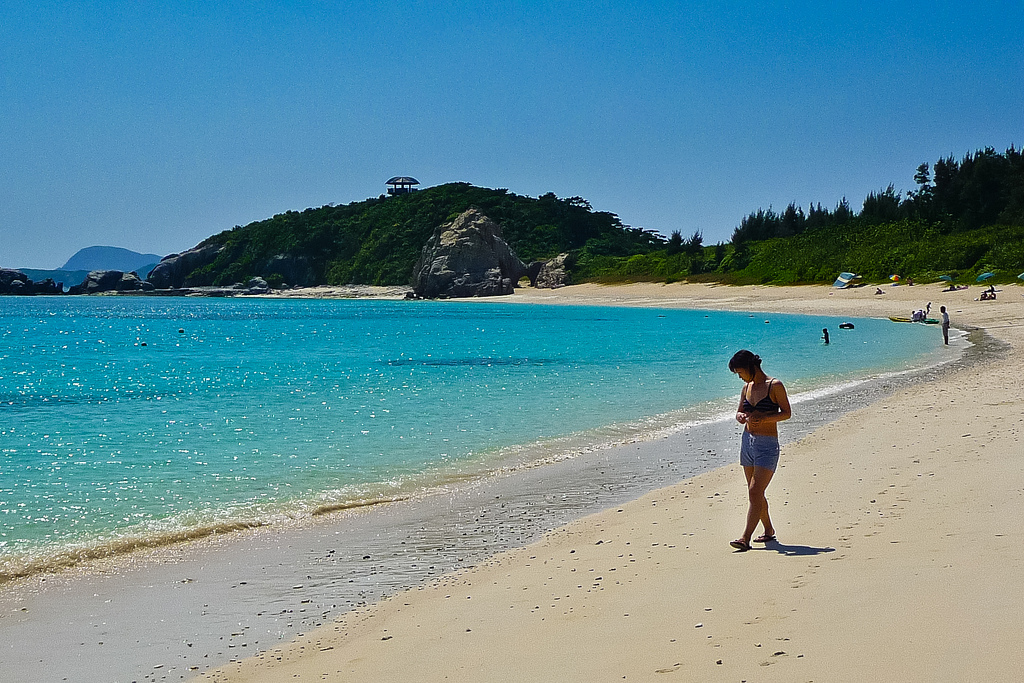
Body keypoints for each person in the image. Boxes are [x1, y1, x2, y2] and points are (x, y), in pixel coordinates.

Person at [727, 350, 792, 551]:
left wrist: (764, 419)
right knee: (755, 492)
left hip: (767, 444)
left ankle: (745, 538)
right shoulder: (746, 388)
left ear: (750, 367)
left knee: (755, 492)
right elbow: (740, 411)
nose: (739, 377)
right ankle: (769, 530)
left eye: (740, 372)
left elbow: (787, 413)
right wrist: (740, 417)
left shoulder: (775, 386)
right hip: (747, 442)